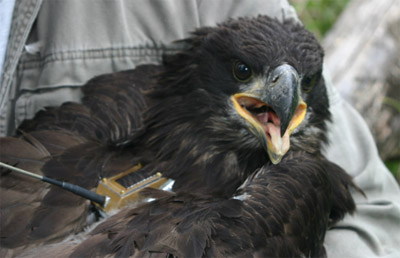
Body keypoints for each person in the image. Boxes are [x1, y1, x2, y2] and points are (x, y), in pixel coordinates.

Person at [0, 0, 399, 257]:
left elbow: (379, 215)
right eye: (244, 73)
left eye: (304, 85)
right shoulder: (139, 99)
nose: (286, 95)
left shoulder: (225, 8)